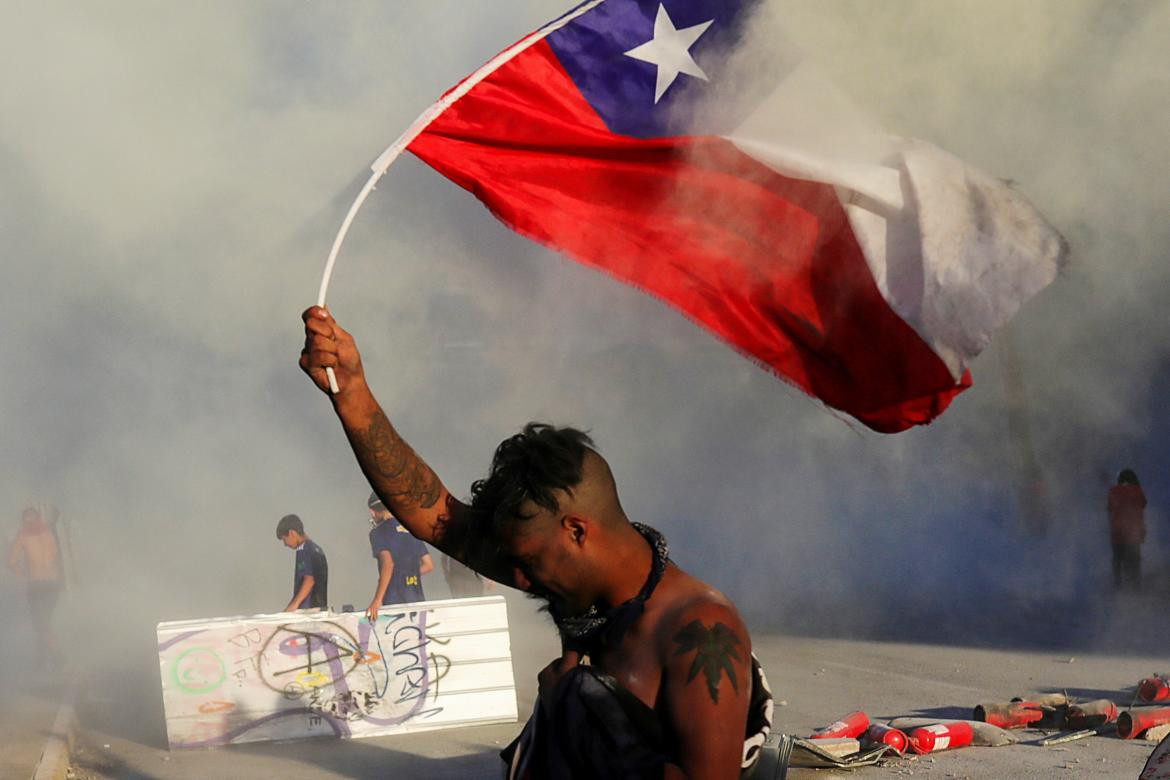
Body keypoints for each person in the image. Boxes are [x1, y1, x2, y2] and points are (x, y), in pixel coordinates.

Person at [300, 307, 772, 779]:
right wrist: (352, 392)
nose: (519, 578)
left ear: (577, 530)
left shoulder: (700, 633)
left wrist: (584, 711)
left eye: (528, 562)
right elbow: (434, 514)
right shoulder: (575, 584)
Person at [7, 506, 64, 665]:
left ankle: (58, 656)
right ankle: (41, 661)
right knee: (44, 622)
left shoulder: (23, 536)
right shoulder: (49, 533)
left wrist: (22, 574)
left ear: (25, 520)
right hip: (53, 583)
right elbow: (57, 557)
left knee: (42, 624)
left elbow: (11, 562)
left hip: (37, 584)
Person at [366, 491, 434, 622]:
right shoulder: (411, 529)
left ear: (372, 511)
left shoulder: (377, 533)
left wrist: (377, 600)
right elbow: (429, 565)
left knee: (395, 640)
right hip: (417, 599)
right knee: (418, 639)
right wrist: (408, 574)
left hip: (394, 601)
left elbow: (388, 564)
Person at [275, 514, 329, 611]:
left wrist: (293, 606)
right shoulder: (317, 549)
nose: (285, 544)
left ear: (292, 533)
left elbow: (309, 580)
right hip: (320, 609)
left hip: (307, 612)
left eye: (284, 539)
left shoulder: (304, 549)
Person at [1108, 468, 1147, 590]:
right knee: (1134, 562)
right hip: (1133, 534)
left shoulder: (1113, 491)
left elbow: (1109, 508)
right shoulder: (1138, 491)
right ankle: (1135, 588)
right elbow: (1143, 504)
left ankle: (1118, 585)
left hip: (1118, 533)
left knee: (1118, 560)